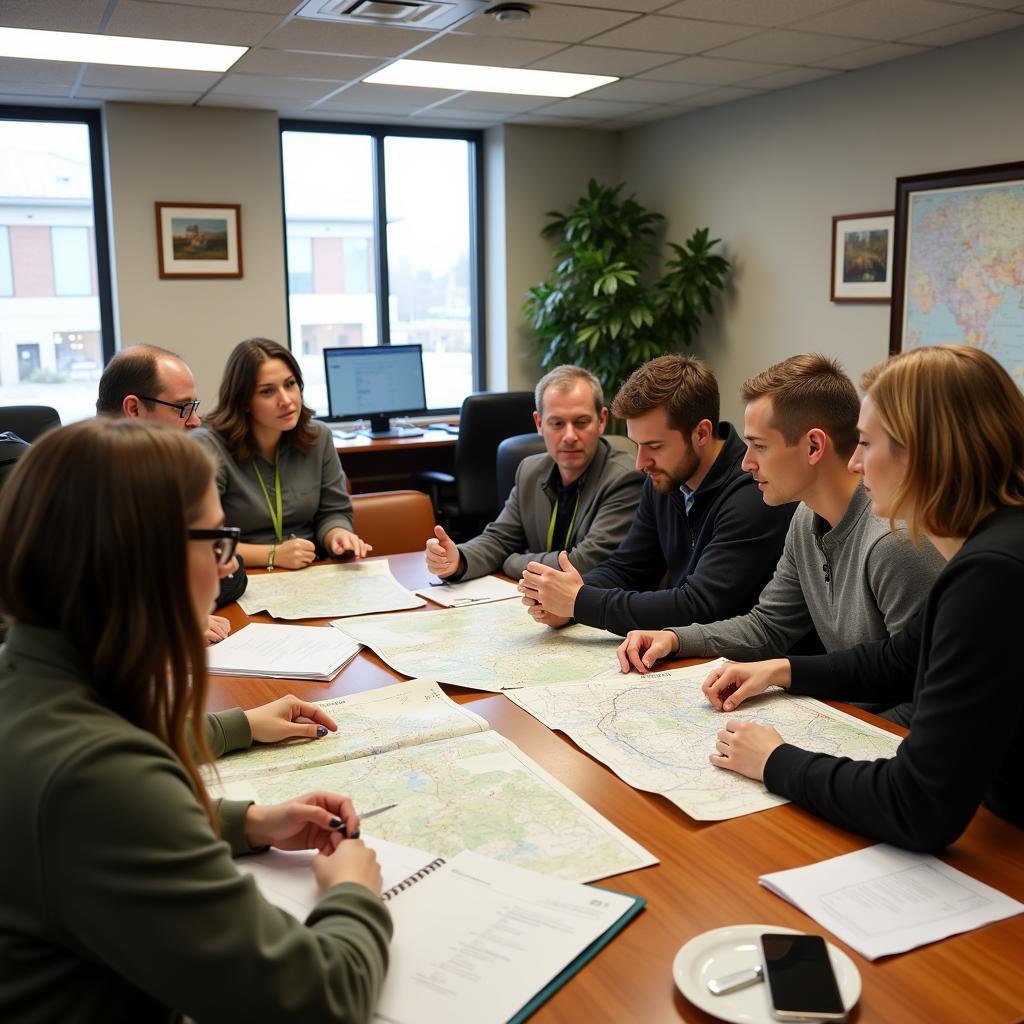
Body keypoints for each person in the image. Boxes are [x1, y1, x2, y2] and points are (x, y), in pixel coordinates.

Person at [0, 418, 391, 1020]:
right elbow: (316, 999)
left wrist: (249, 823)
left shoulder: (31, 678)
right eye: (215, 543)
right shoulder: (95, 776)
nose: (224, 568)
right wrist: (353, 893)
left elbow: (91, 838)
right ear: (145, 556)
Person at [702, 345, 1024, 851]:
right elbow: (901, 659)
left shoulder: (992, 577)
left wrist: (775, 761)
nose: (853, 462)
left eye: (867, 444)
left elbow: (918, 807)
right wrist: (782, 669)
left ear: (922, 453)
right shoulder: (992, 550)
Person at [616, 354, 944, 725]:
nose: (746, 462)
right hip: (846, 722)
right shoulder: (806, 518)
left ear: (813, 447)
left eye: (760, 445)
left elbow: (929, 697)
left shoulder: (894, 543)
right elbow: (768, 626)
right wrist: (674, 639)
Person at [518, 354, 794, 635]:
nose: (640, 462)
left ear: (701, 433)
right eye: (636, 444)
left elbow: (700, 606)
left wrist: (579, 602)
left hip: (740, 663)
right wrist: (566, 597)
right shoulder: (665, 478)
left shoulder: (754, 491)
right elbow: (630, 568)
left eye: (654, 446)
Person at [425, 365, 642, 582]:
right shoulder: (530, 471)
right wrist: (458, 559)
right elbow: (500, 539)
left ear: (602, 420)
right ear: (539, 423)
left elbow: (584, 562)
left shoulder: (624, 478)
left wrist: (510, 562)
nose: (569, 436)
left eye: (581, 422)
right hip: (541, 603)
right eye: (557, 423)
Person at [96, 343, 246, 641]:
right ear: (134, 409)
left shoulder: (158, 474)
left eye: (194, 407)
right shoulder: (80, 487)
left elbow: (230, 575)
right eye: (182, 408)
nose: (195, 421)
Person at [197, 338, 370, 571]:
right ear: (244, 400)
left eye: (290, 384)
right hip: (238, 575)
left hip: (309, 572)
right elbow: (200, 540)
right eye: (267, 391)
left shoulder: (319, 437)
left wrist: (336, 535)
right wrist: (272, 554)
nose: (286, 400)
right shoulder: (207, 446)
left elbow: (334, 511)